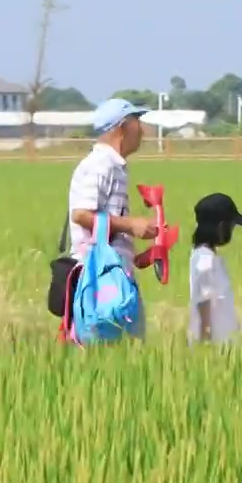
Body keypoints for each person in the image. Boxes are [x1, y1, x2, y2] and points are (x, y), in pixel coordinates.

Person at [66, 97, 160, 337]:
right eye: (136, 120)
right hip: (97, 277)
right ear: (121, 127)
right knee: (110, 347)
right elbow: (81, 214)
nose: (142, 129)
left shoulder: (114, 165)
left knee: (126, 350)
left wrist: (135, 255)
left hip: (114, 273)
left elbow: (106, 226)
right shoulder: (100, 165)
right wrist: (131, 225)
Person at [187, 192, 242, 345]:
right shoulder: (205, 260)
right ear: (221, 227)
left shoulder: (206, 256)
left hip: (223, 345)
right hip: (215, 344)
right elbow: (204, 302)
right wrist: (206, 340)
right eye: (231, 226)